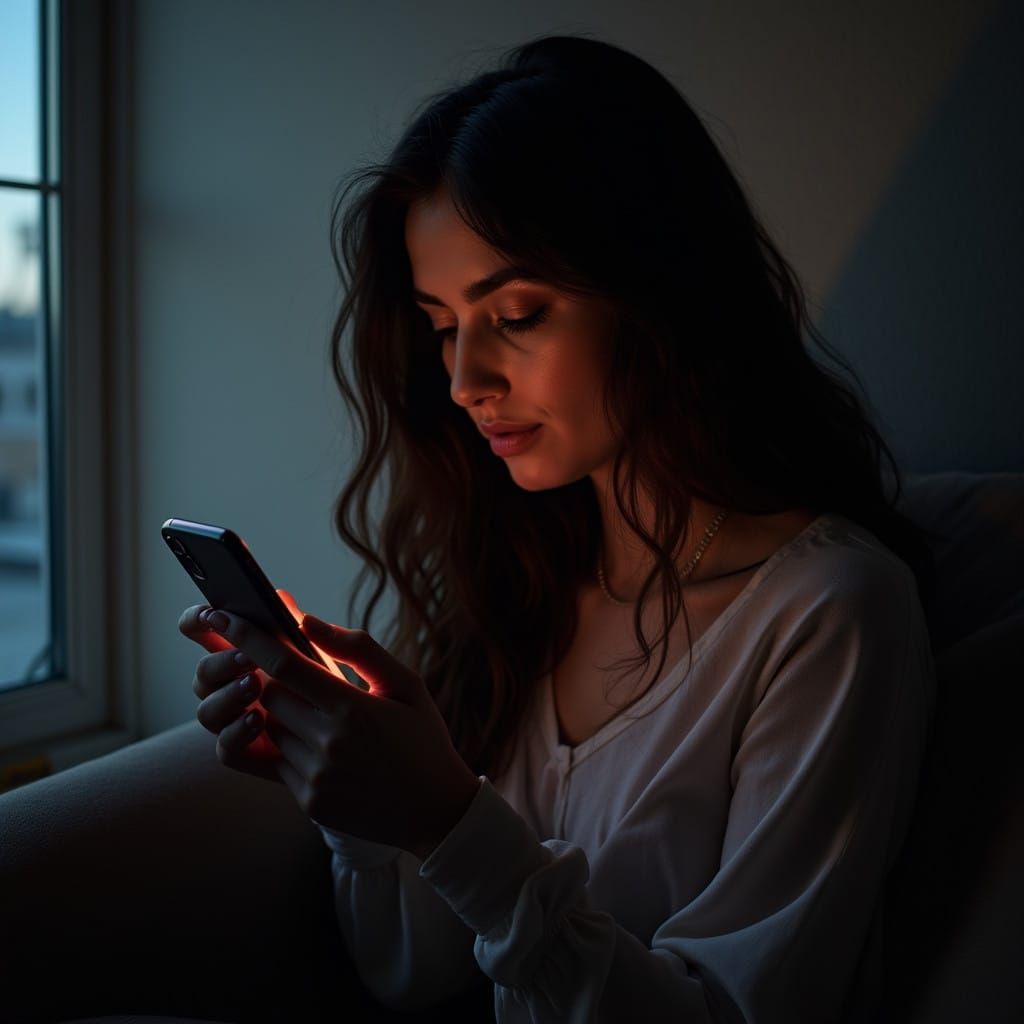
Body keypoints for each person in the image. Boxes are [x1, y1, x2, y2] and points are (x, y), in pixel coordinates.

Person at [180, 34, 940, 1022]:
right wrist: (360, 812)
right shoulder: (522, 590)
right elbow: (410, 973)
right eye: (444, 326)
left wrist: (451, 822)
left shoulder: (829, 613)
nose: (463, 383)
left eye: (520, 313)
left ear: (659, 288)